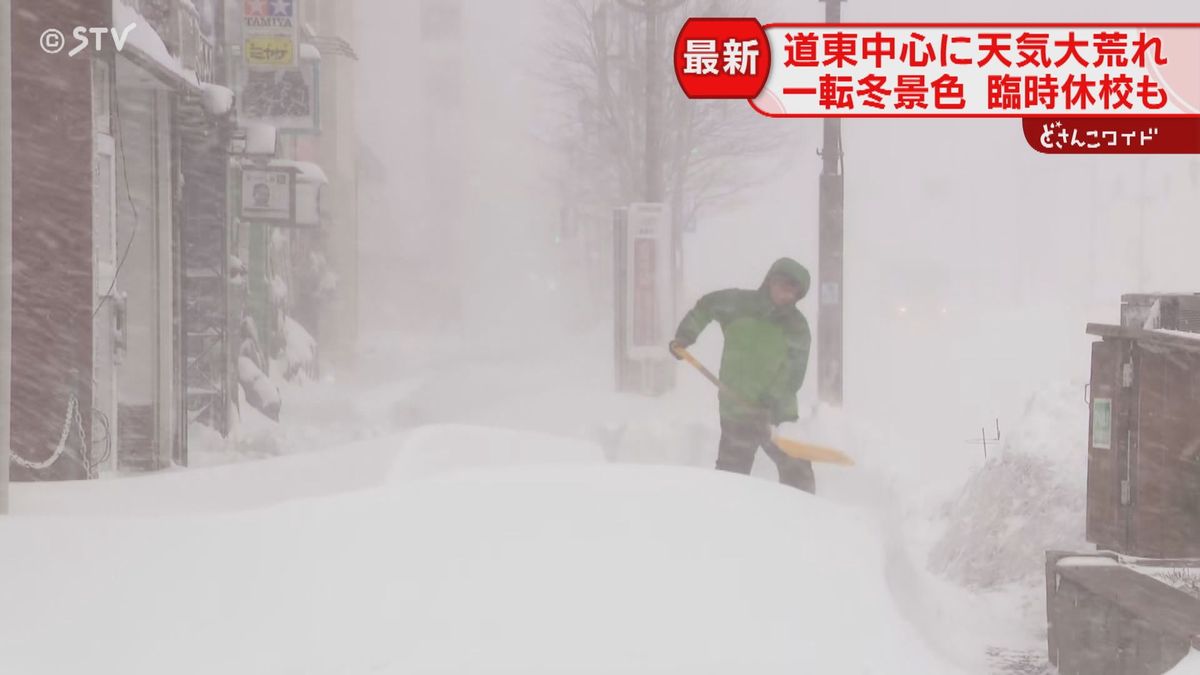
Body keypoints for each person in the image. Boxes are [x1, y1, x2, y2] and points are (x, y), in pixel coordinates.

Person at [669, 258, 815, 493]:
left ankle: (808, 523)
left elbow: (794, 373)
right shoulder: (738, 305)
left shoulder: (796, 326)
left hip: (777, 414)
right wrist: (686, 335)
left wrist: (771, 400)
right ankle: (728, 523)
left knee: (797, 475)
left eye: (792, 291)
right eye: (782, 285)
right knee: (731, 479)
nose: (785, 294)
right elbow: (706, 306)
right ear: (770, 281)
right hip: (737, 410)